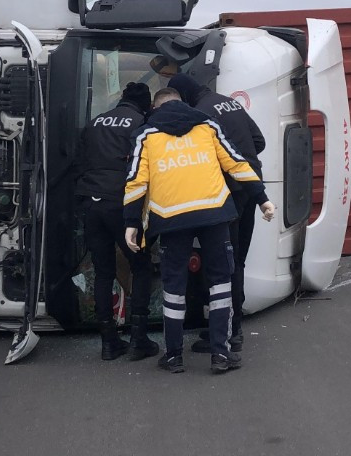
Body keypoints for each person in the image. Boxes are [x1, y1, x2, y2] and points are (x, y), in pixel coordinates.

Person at [123, 88, 275, 374]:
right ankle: (220, 354)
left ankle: (173, 355)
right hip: (215, 213)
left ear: (154, 108)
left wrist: (132, 223)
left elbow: (136, 182)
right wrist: (261, 198)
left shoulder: (146, 135)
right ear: (182, 103)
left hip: (171, 218)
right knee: (220, 283)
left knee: (174, 288)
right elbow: (237, 163)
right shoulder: (207, 125)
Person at [167, 73, 265, 352]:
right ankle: (236, 327)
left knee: (226, 262)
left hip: (230, 193)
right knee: (239, 261)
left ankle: (228, 334)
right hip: (252, 185)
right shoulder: (227, 102)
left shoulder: (199, 113)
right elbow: (259, 141)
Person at [75, 82, 160, 361]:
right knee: (141, 265)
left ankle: (109, 342)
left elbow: (80, 160)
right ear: (146, 105)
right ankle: (139, 338)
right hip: (121, 204)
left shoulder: (95, 122)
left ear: (122, 99)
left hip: (91, 201)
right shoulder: (141, 123)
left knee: (103, 272)